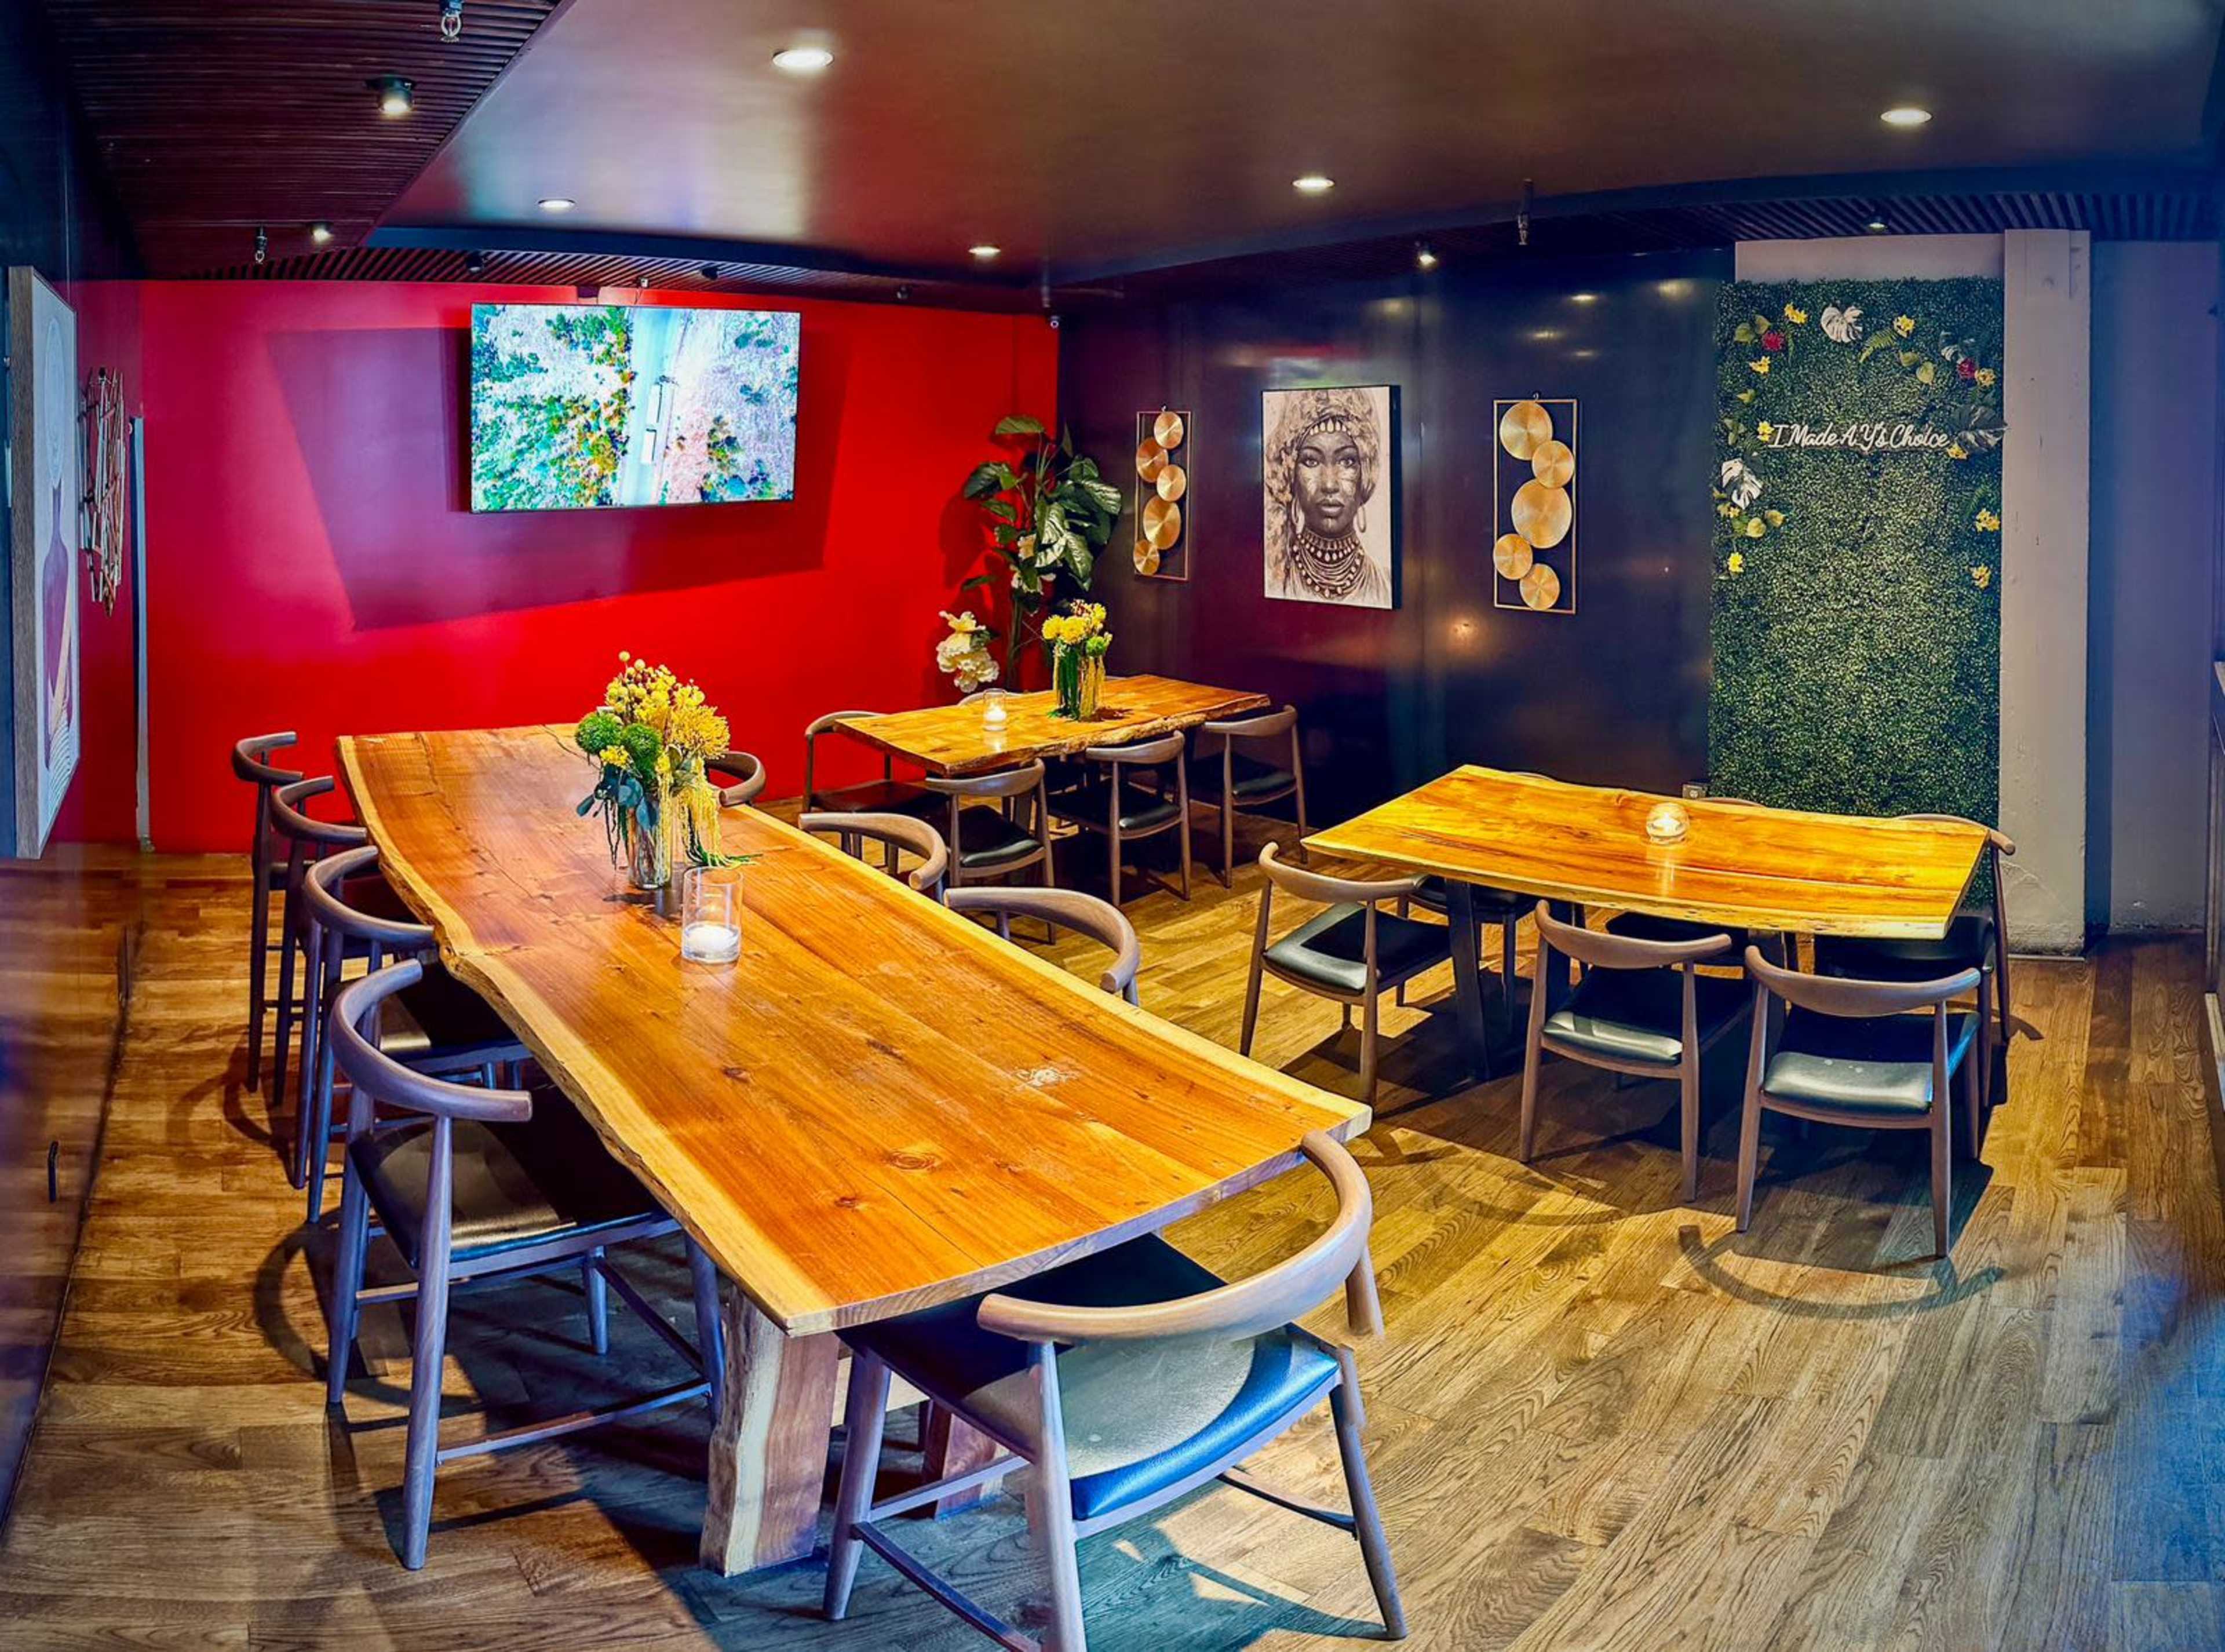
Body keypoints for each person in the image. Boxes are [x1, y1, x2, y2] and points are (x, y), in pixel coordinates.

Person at [1264, 387, 1392, 607]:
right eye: (1312, 461)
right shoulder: (1275, 579)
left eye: (1347, 462)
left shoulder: (1387, 585)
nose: (1330, 484)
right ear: (1291, 475)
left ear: (1366, 474)